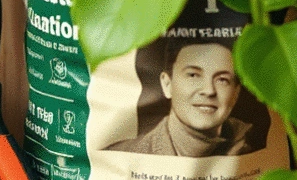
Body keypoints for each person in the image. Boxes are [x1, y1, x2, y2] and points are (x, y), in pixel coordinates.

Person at [105, 39, 258, 157]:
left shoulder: (255, 149)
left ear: (236, 92)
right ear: (167, 84)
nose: (209, 91)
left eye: (222, 80)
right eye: (193, 75)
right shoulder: (120, 156)